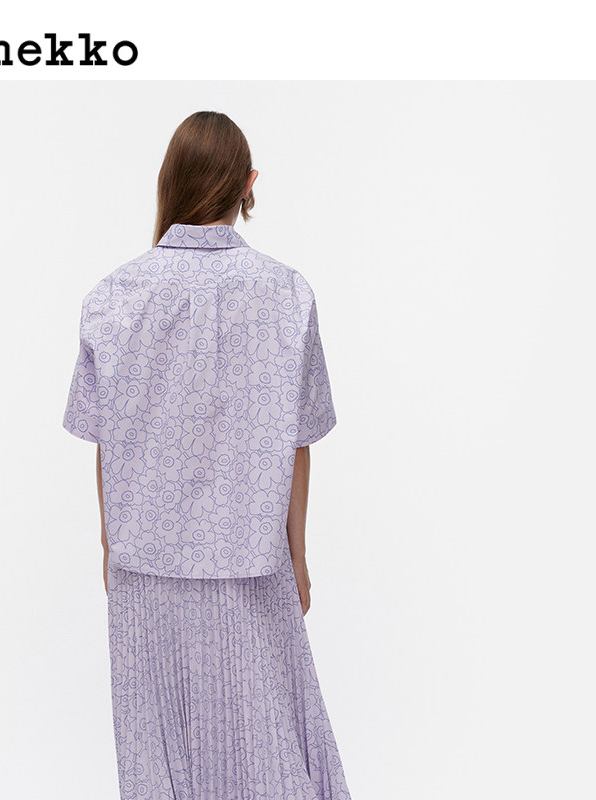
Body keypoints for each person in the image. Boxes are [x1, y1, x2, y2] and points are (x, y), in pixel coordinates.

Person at [63, 110, 353, 800]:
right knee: (274, 754)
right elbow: (297, 442)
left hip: (143, 568)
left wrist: (109, 545)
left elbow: (105, 440)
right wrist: (297, 557)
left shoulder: (112, 297)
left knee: (157, 761)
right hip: (252, 561)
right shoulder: (288, 294)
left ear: (169, 182)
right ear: (249, 184)